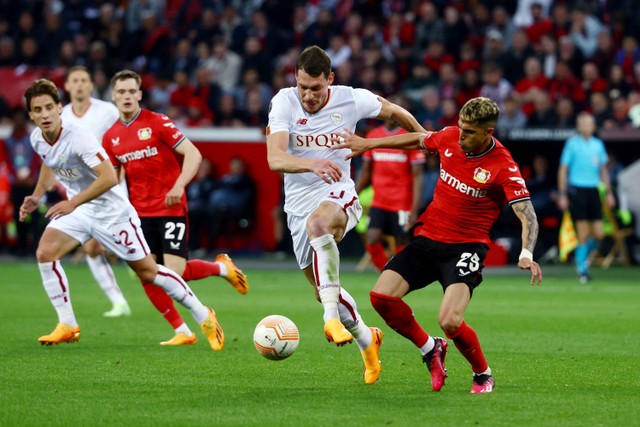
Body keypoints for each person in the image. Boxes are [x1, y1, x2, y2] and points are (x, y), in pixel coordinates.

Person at [333, 97, 543, 394]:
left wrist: (526, 253)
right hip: (428, 239)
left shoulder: (503, 166)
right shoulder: (449, 138)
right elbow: (419, 139)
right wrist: (368, 144)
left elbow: (527, 214)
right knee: (381, 297)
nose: (461, 136)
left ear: (489, 132)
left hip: (466, 248)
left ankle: (482, 374)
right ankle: (431, 348)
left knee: (450, 320)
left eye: (469, 132)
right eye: (460, 128)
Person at [19, 78, 223, 349]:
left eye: (48, 107)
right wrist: (37, 195)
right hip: (81, 210)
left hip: (112, 213)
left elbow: (108, 179)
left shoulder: (79, 137)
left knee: (149, 271)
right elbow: (50, 162)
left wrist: (73, 202)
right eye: (38, 110)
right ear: (31, 114)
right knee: (45, 252)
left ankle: (203, 314)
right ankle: (67, 323)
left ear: (59, 108)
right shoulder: (37, 138)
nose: (44, 115)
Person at [266, 45, 426, 384]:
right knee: (325, 288)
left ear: (330, 80)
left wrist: (423, 138)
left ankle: (329, 318)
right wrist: (312, 162)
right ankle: (368, 340)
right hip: (296, 203)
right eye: (303, 86)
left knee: (319, 224)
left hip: (338, 194)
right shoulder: (284, 102)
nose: (308, 95)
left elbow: (396, 112)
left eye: (316, 87)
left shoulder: (351, 99)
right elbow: (275, 159)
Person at [103, 70, 249, 346]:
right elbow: (113, 178)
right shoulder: (111, 137)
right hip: (138, 214)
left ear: (139, 94)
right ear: (113, 96)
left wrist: (179, 185)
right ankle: (182, 330)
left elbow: (193, 153)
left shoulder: (157, 122)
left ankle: (222, 269)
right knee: (145, 272)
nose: (126, 96)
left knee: (176, 272)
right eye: (121, 92)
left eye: (131, 91)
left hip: (169, 207)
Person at [60, 66, 131, 317]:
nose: (79, 85)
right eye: (74, 81)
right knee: (91, 248)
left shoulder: (107, 111)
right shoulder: (62, 115)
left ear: (91, 85)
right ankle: (118, 301)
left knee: (134, 249)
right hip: (82, 192)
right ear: (67, 86)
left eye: (83, 80)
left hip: (111, 186)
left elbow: (124, 138)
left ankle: (133, 258)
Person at [354, 117, 425, 272]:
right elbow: (366, 170)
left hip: (402, 201)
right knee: (372, 237)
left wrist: (414, 209)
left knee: (401, 241)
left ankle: (402, 273)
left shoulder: (408, 138)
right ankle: (385, 271)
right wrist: (352, 195)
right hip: (379, 200)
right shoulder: (373, 135)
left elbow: (418, 176)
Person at [557, 112, 616, 283]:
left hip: (594, 190)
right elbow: (563, 169)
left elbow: (603, 170)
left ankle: (580, 255)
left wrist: (609, 192)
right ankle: (582, 269)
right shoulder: (572, 144)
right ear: (578, 125)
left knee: (599, 233)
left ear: (593, 126)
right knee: (582, 232)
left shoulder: (598, 144)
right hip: (578, 189)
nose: (585, 126)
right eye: (582, 123)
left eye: (588, 123)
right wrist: (562, 194)